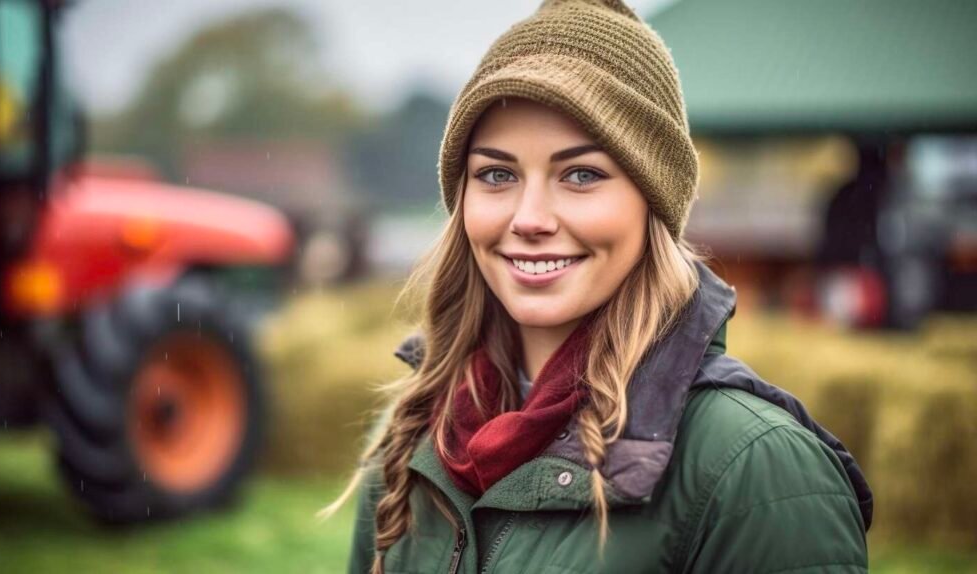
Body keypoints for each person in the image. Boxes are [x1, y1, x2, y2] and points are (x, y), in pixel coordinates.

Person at [322, 1, 872, 572]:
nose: (529, 217)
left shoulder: (754, 468)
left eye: (581, 175)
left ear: (653, 200)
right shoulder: (411, 436)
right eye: (496, 174)